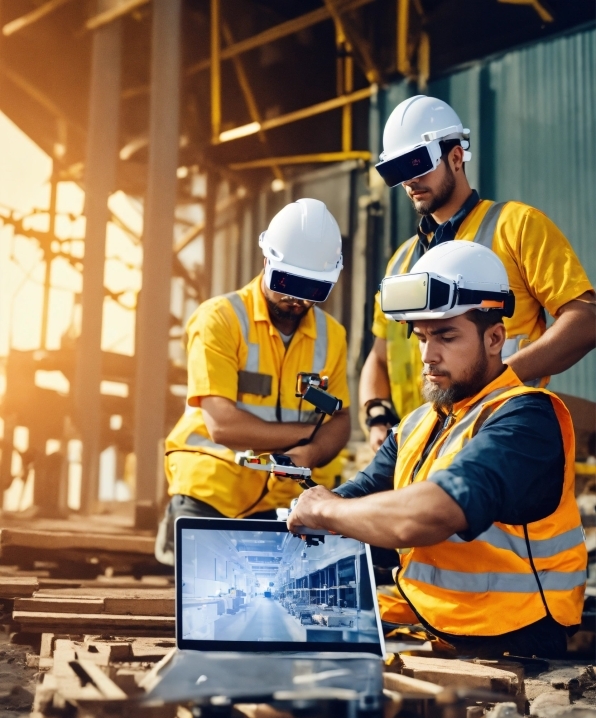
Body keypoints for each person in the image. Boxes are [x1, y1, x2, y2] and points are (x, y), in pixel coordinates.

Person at [288, 240, 587, 659]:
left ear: (495, 338)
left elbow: (432, 513)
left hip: (514, 643)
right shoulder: (417, 423)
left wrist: (324, 510)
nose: (428, 355)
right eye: (422, 337)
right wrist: (305, 517)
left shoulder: (526, 420)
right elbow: (358, 497)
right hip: (431, 624)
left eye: (446, 336)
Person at [361, 94, 596, 452]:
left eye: (417, 164)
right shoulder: (401, 262)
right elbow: (379, 356)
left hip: (499, 439)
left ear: (456, 157)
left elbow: (586, 320)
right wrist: (376, 414)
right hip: (419, 450)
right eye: (398, 170)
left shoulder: (516, 227)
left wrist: (495, 382)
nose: (410, 180)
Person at [155, 198, 351, 564]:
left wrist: (311, 453)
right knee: (199, 610)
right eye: (288, 282)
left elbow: (340, 419)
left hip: (284, 503)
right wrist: (305, 435)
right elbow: (223, 426)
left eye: (312, 290)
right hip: (211, 496)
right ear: (267, 261)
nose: (296, 298)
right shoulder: (220, 320)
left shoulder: (332, 336)